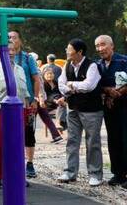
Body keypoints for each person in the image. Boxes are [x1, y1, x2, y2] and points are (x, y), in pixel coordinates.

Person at [56, 38, 103, 186]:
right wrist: (74, 87)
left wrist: (71, 85)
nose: (67, 51)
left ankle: (95, 174)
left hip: (91, 110)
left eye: (69, 49)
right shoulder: (67, 65)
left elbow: (89, 86)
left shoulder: (92, 66)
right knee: (72, 141)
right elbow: (61, 84)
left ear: (79, 52)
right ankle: (70, 172)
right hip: (73, 108)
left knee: (92, 142)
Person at [0, 50, 30, 189]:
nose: (10, 52)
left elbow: (24, 91)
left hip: (20, 110)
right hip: (1, 110)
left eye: (12, 50)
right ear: (0, 52)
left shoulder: (20, 69)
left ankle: (17, 175)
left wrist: (29, 107)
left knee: (18, 145)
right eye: (7, 49)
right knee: (0, 145)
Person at [8, 31, 44, 178]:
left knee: (29, 133)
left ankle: (29, 163)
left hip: (26, 102)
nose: (11, 40)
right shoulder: (2, 57)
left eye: (14, 37)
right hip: (9, 103)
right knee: (11, 133)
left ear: (20, 41)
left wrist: (35, 99)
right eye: (8, 37)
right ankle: (14, 162)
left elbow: (36, 79)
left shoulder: (27, 58)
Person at [94, 35, 127, 187]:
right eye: (97, 46)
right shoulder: (98, 64)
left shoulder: (123, 60)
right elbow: (95, 84)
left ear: (112, 45)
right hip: (110, 107)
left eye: (103, 45)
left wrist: (119, 92)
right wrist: (107, 90)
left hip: (125, 105)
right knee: (113, 140)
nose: (100, 49)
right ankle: (118, 173)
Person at [43, 53, 66, 130]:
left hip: (58, 101)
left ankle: (60, 125)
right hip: (49, 103)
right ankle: (58, 123)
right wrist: (55, 100)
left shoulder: (56, 82)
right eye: (48, 74)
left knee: (67, 107)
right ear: (44, 75)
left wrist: (62, 98)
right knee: (63, 105)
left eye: (51, 74)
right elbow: (47, 96)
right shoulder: (44, 84)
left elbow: (60, 92)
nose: (50, 75)